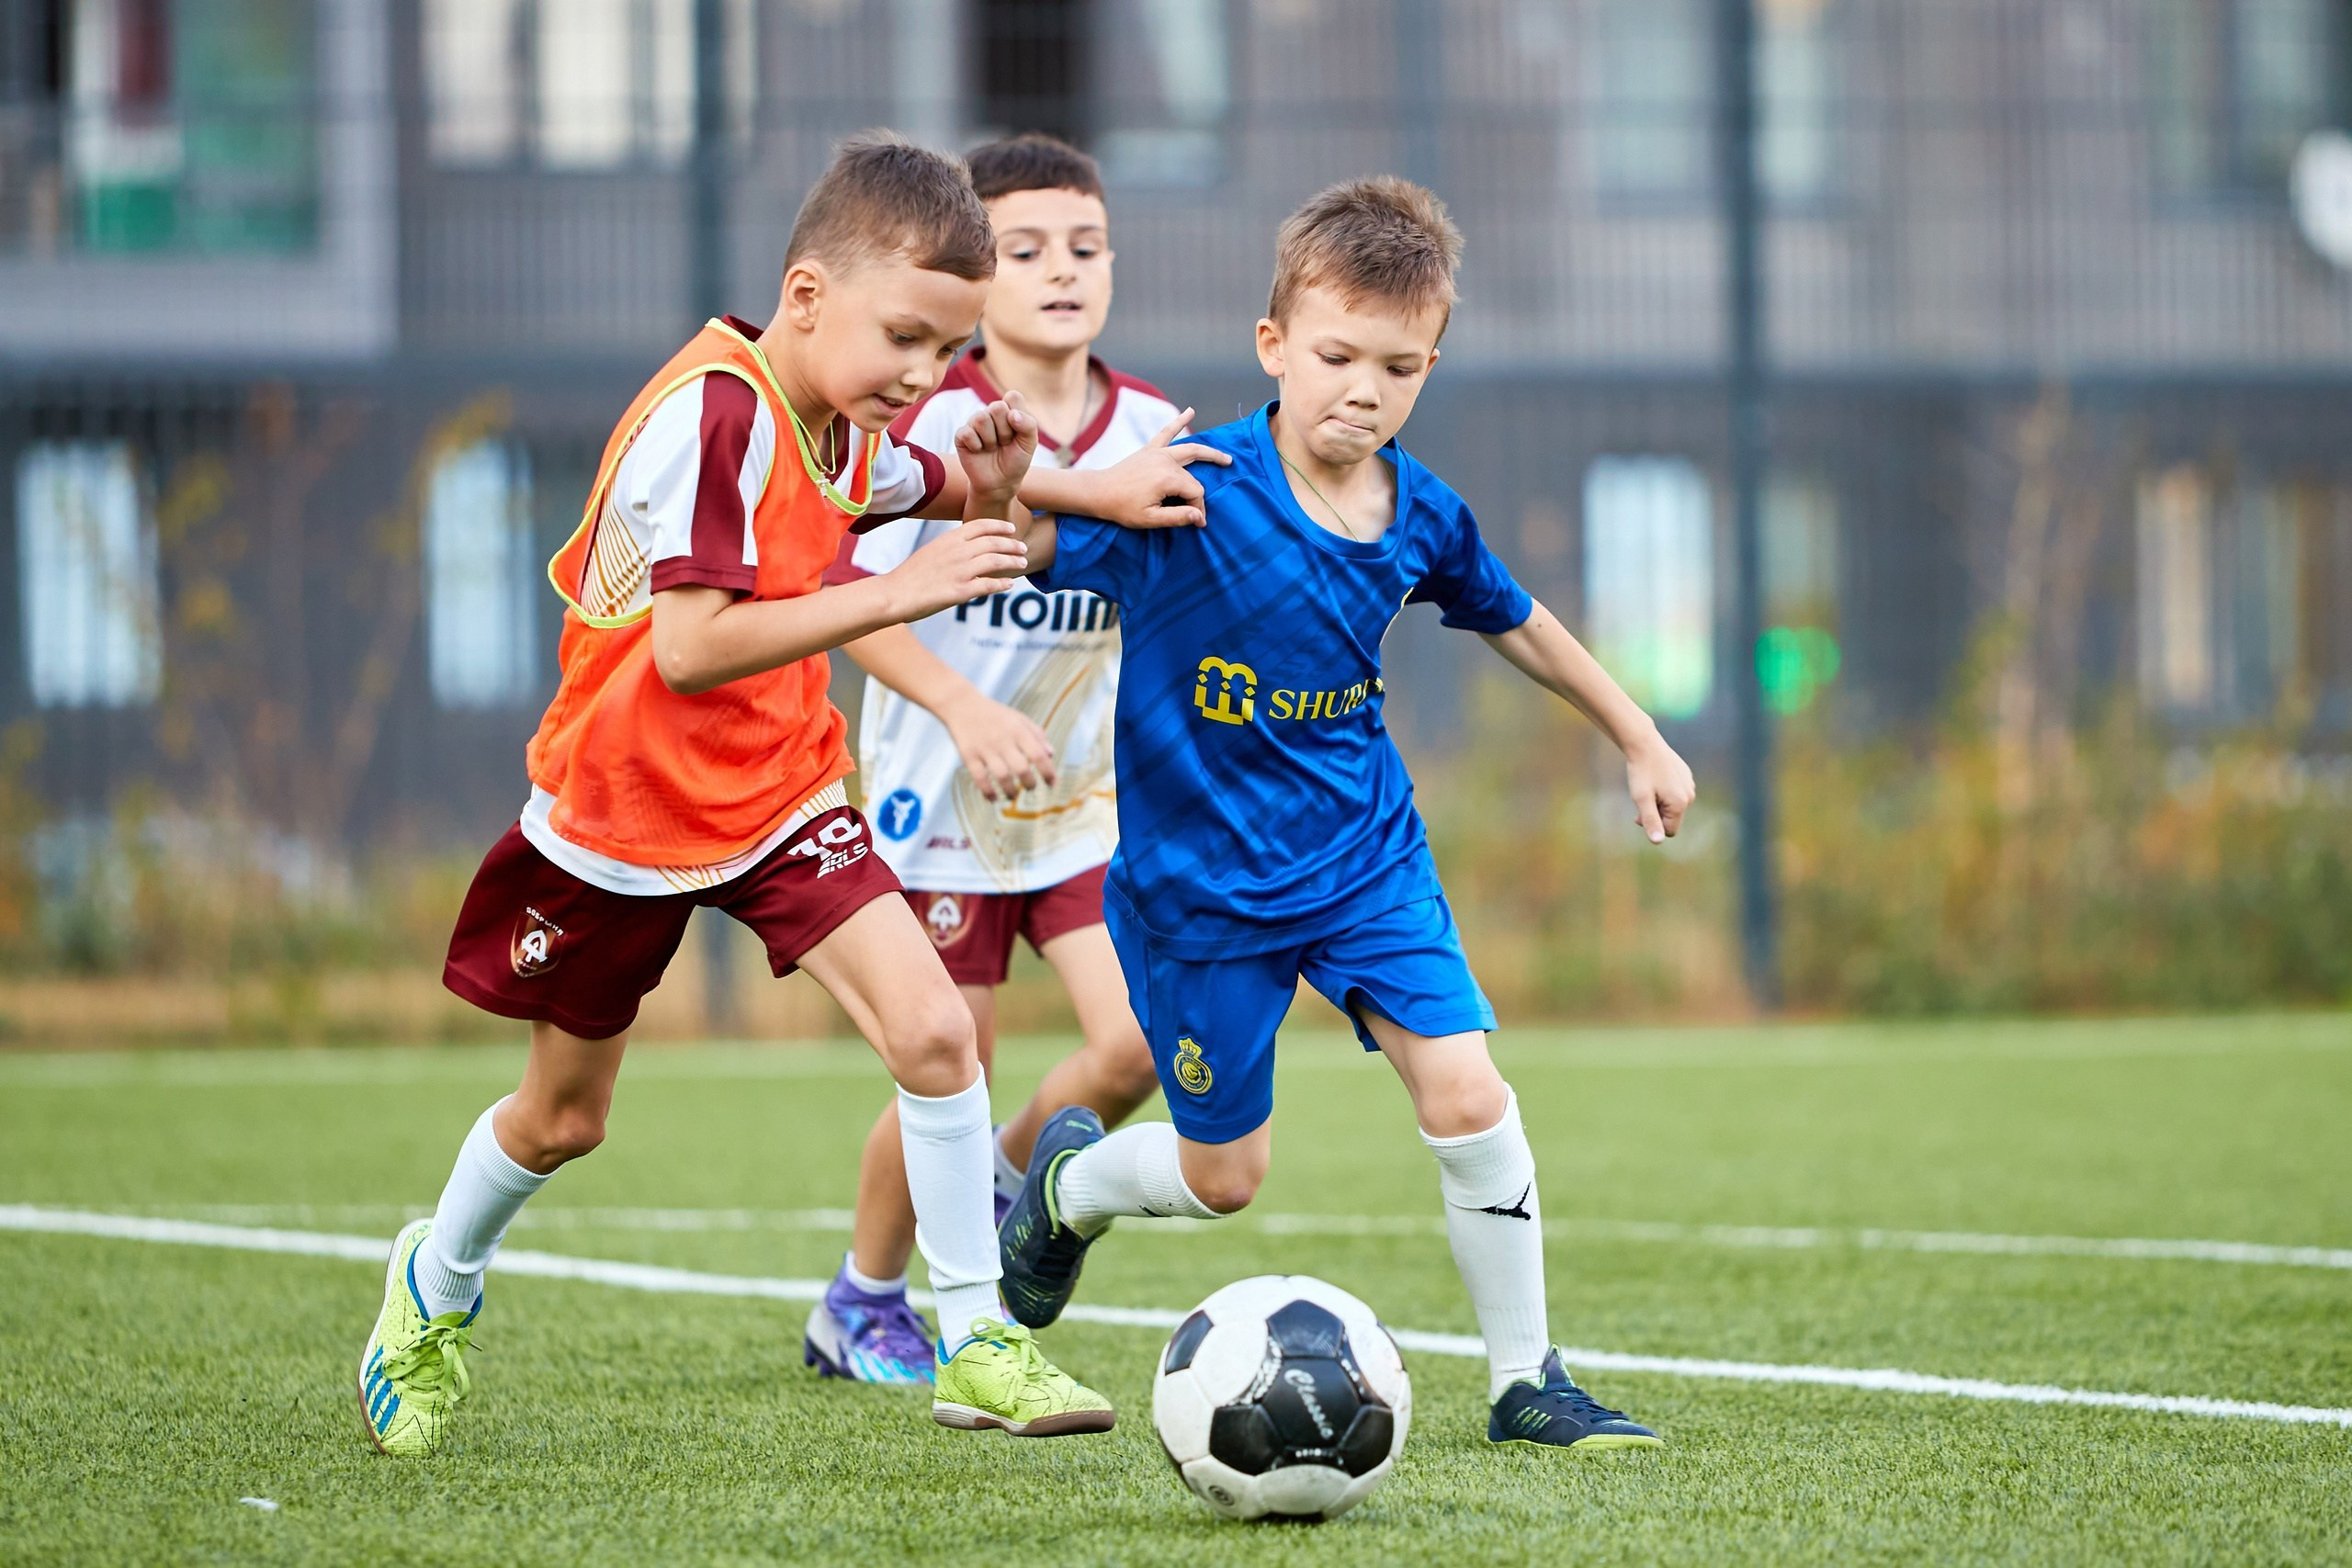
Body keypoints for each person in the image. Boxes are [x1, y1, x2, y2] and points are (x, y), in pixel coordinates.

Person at [356, 135, 1210, 1457]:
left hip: (781, 793)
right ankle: (436, 1282)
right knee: (565, 1119)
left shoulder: (833, 415)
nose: (928, 378)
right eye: (909, 341)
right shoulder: (716, 412)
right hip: (620, 813)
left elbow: (933, 479)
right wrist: (903, 588)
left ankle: (975, 1332)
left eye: (947, 350)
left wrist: (1066, 487)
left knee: (938, 1040)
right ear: (807, 297)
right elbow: (691, 648)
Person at [991, 177, 1699, 1450]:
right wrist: (1030, 488)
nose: (1362, 390)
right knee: (1224, 1182)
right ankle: (1071, 1186)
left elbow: (1518, 621)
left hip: (1367, 859)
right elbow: (1016, 541)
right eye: (1334, 357)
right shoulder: (1190, 487)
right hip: (1203, 893)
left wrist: (1636, 734)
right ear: (1274, 348)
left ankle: (1527, 1380)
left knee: (1471, 1094)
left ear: (1431, 366)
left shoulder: (1420, 511)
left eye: (1398, 366)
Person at [807, 134, 1193, 1384]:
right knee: (948, 1057)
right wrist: (969, 710)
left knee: (1140, 1043)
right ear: (979, 271)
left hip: (1085, 809)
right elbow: (860, 600)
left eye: (1085, 247)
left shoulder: (1150, 427)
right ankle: (862, 1301)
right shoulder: (926, 417)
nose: (1061, 271)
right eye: (1025, 250)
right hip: (943, 805)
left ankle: (1014, 1184)